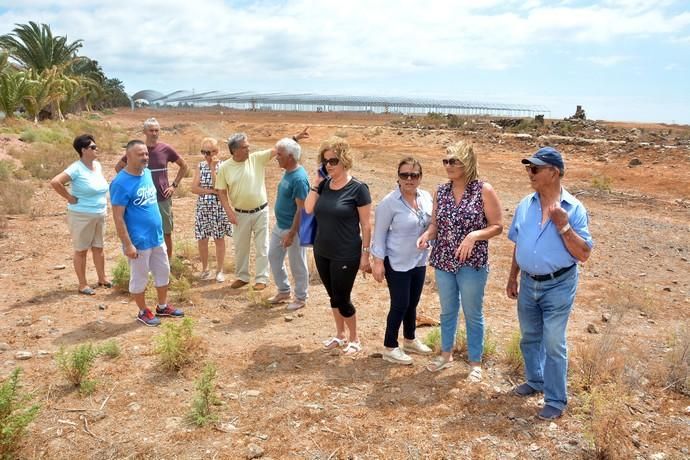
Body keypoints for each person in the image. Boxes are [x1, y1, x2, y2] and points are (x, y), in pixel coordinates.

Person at [506, 146, 593, 420]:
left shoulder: (574, 209)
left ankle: (555, 399)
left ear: (554, 173)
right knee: (530, 337)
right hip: (528, 283)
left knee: (554, 342)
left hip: (558, 285)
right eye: (528, 168)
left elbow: (584, 254)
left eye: (535, 168)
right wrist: (512, 276)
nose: (529, 173)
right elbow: (519, 243)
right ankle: (536, 380)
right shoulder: (525, 204)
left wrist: (564, 226)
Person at [417, 141, 502, 380]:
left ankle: (475, 362)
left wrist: (474, 236)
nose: (448, 165)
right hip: (444, 260)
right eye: (445, 161)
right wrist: (426, 235)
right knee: (447, 311)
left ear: (467, 162)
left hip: (472, 262)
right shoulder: (441, 191)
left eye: (453, 161)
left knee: (472, 312)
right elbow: (435, 224)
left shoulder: (483, 189)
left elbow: (497, 226)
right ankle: (446, 355)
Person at [216, 128, 309, 291]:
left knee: (262, 246)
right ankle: (242, 276)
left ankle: (262, 278)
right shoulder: (225, 167)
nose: (249, 149)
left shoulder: (256, 158)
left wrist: (295, 138)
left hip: (261, 211)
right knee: (240, 246)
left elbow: (279, 151)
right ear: (235, 150)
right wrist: (229, 211)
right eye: (245, 147)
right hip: (240, 214)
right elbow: (221, 192)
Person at [304, 137, 372, 355]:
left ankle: (354, 338)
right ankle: (340, 335)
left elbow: (366, 225)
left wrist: (365, 255)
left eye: (333, 160)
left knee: (342, 298)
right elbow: (307, 209)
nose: (329, 165)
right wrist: (316, 181)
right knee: (333, 296)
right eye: (325, 161)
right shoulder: (323, 186)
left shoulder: (359, 188)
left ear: (345, 160)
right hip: (322, 251)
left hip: (346, 253)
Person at [110, 140, 184, 327]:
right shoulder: (120, 183)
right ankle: (143, 311)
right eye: (140, 154)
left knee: (163, 272)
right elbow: (118, 217)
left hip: (157, 237)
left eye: (146, 154)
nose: (145, 157)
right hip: (139, 241)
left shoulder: (148, 173)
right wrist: (127, 244)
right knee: (140, 278)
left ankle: (162, 306)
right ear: (128, 157)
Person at [372, 157, 433, 365]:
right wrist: (378, 262)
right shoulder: (389, 203)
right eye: (404, 175)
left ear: (420, 177)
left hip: (419, 259)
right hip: (396, 260)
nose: (409, 179)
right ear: (398, 177)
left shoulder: (425, 197)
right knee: (400, 303)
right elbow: (378, 234)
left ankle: (409, 339)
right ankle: (390, 346)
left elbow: (432, 224)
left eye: (414, 175)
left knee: (412, 303)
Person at [115, 117, 188, 259]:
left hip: (162, 197)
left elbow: (184, 166)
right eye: (151, 130)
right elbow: (119, 167)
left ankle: (168, 263)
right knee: (144, 231)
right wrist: (131, 185)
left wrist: (174, 186)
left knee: (166, 232)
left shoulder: (165, 149)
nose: (154, 133)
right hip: (142, 200)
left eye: (156, 130)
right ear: (144, 131)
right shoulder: (138, 150)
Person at [50, 134, 111, 295]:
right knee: (81, 249)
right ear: (83, 150)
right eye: (92, 147)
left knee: (99, 247)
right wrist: (69, 197)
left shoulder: (97, 165)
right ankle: (82, 284)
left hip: (99, 213)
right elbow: (56, 182)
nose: (96, 149)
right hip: (81, 215)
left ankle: (102, 278)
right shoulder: (76, 168)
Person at [267, 137, 310, 311]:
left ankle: (301, 297)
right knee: (273, 256)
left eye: (279, 154)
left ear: (290, 157)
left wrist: (292, 234)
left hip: (294, 229)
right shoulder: (288, 171)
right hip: (281, 225)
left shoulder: (299, 179)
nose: (276, 157)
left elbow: (302, 209)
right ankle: (284, 290)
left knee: (297, 263)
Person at [190, 137, 233, 283]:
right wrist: (209, 192)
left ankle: (219, 270)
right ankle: (205, 269)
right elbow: (193, 188)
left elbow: (218, 187)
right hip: (203, 208)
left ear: (217, 151)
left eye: (209, 152)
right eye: (204, 152)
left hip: (219, 207)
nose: (207, 156)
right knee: (202, 239)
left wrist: (213, 169)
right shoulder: (200, 166)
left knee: (219, 239)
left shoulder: (224, 166)